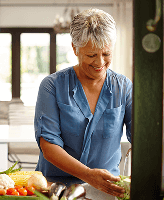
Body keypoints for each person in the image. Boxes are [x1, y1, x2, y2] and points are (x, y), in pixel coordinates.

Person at [34, 8, 131, 198]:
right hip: (56, 189)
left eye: (106, 53)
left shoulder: (124, 87)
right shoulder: (52, 86)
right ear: (74, 48)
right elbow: (49, 146)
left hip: (107, 189)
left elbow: (142, 139)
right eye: (91, 55)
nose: (100, 62)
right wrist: (88, 175)